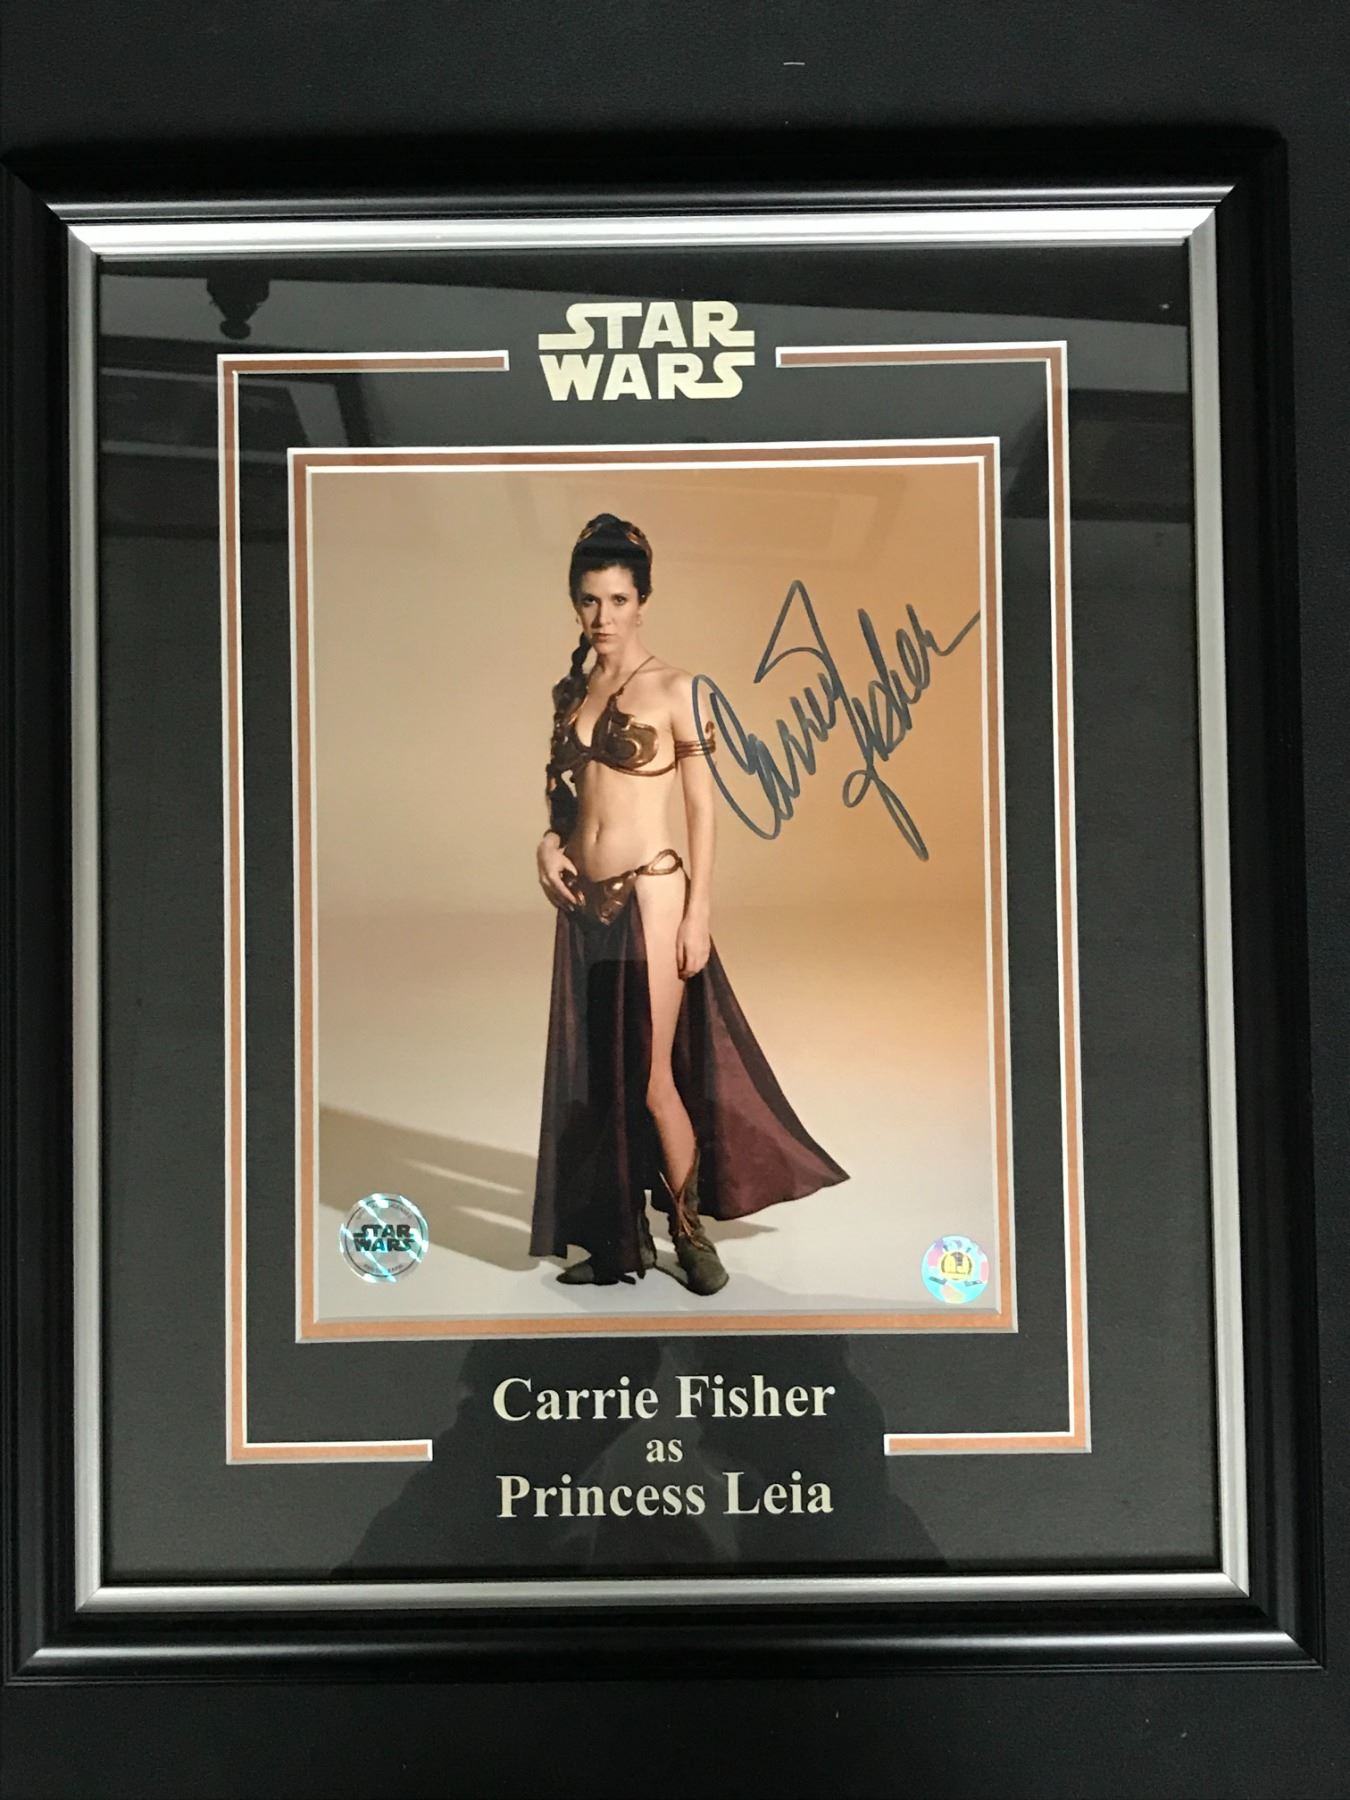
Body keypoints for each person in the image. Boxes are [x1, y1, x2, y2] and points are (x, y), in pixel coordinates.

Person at [529, 513, 847, 1293]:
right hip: (583, 907)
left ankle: (689, 1231)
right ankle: (619, 1240)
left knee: (650, 1078)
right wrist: (546, 844)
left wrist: (699, 912)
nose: (603, 617)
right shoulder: (572, 690)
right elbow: (566, 799)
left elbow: (704, 808)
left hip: (653, 895)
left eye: (618, 600)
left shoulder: (680, 689)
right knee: (596, 1080)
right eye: (589, 600)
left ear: (643, 601)